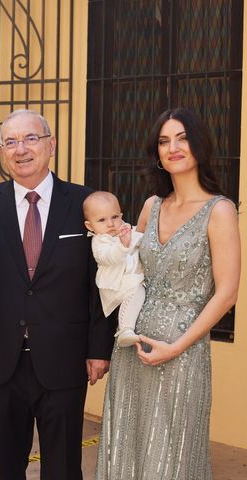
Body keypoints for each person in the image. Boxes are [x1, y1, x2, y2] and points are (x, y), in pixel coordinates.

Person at [0, 109, 113, 480]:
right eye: (10, 142)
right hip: (0, 360)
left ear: (51, 145)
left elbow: (102, 280)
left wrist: (99, 348)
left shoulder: (84, 204)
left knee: (63, 468)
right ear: (1, 153)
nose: (21, 149)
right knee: (7, 468)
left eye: (31, 138)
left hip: (66, 359)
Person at [95, 108, 240, 479]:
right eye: (163, 141)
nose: (172, 147)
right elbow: (132, 273)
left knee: (171, 456)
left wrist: (176, 347)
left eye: (181, 138)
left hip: (182, 351)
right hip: (134, 348)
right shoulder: (151, 206)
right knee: (126, 444)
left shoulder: (219, 210)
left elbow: (226, 294)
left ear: (199, 145)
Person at [83, 191, 144, 347]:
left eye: (115, 217)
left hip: (127, 281)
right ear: (90, 225)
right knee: (136, 288)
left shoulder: (123, 232)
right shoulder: (99, 242)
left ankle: (127, 329)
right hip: (113, 285)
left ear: (121, 215)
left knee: (137, 291)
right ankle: (125, 329)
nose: (110, 224)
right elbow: (108, 257)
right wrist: (123, 245)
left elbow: (140, 238)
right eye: (102, 220)